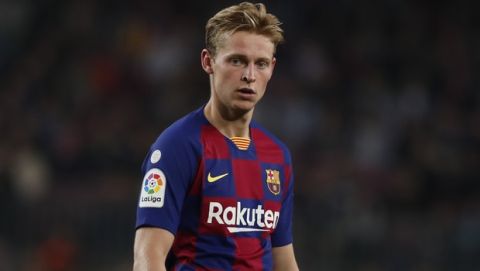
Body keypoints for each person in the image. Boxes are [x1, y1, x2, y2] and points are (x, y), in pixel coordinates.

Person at [133, 2, 299, 270]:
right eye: (237, 60)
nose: (249, 75)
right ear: (208, 61)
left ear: (273, 68)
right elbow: (147, 260)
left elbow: (284, 260)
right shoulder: (177, 146)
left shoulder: (277, 155)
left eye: (261, 64)